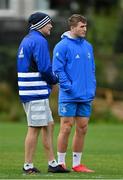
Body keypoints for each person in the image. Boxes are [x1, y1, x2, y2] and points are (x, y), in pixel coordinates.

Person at [17, 12, 70, 174]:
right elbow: (45, 68)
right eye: (48, 23)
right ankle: (28, 166)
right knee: (34, 128)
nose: (51, 26)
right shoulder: (39, 41)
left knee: (49, 125)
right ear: (40, 25)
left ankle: (52, 163)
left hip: (31, 90)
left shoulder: (27, 39)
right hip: (35, 91)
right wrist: (55, 79)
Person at [52, 14, 96, 172]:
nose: (85, 29)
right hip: (69, 94)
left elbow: (91, 69)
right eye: (81, 26)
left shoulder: (88, 46)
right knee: (66, 127)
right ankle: (61, 162)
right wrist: (67, 86)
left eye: (85, 26)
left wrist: (92, 87)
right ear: (72, 27)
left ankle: (77, 164)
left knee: (83, 128)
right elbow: (57, 69)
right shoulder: (62, 46)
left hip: (85, 95)